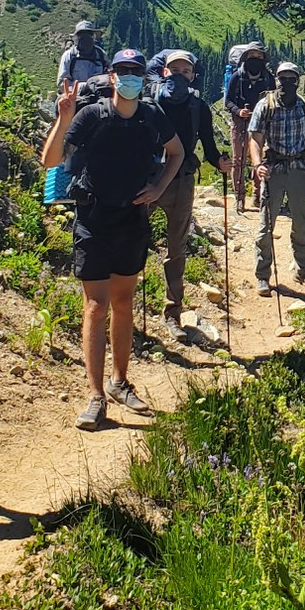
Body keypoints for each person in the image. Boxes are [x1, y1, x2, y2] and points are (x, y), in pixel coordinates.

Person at [39, 49, 184, 430]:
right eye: (123, 71)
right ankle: (96, 395)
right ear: (112, 75)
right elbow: (51, 160)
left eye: (136, 71)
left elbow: (177, 153)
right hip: (94, 218)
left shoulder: (152, 114)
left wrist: (158, 187)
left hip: (131, 219)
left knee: (122, 303)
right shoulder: (90, 115)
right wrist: (63, 117)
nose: (130, 76)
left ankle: (120, 382)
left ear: (143, 76)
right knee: (95, 307)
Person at [149, 50, 228, 326]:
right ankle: (126, 303)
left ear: (193, 76)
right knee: (133, 239)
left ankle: (173, 310)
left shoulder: (198, 108)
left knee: (177, 246)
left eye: (185, 71)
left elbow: (208, 146)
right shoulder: (150, 103)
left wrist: (220, 162)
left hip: (180, 181)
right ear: (164, 72)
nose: (180, 76)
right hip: (149, 178)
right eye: (175, 70)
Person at [249, 60, 305, 293]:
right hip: (273, 170)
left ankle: (304, 269)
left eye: (291, 79)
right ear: (276, 79)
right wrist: (258, 164)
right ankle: (263, 274)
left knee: (300, 223)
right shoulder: (265, 105)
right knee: (265, 224)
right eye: (282, 78)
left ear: (297, 82)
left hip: (299, 170)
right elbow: (255, 139)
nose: (286, 83)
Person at [222, 42, 271, 213]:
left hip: (261, 124)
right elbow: (227, 101)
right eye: (252, 56)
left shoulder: (268, 78)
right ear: (246, 57)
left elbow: (274, 100)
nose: (255, 59)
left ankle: (257, 196)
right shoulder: (237, 76)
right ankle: (239, 198)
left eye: (258, 56)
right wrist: (238, 110)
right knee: (238, 160)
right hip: (239, 122)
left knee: (259, 160)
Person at [58, 20, 108, 90]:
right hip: (75, 97)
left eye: (89, 34)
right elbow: (62, 83)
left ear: (94, 37)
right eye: (81, 34)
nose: (86, 37)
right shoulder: (69, 55)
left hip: (98, 96)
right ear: (76, 37)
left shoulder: (101, 54)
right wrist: (84, 87)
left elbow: (110, 76)